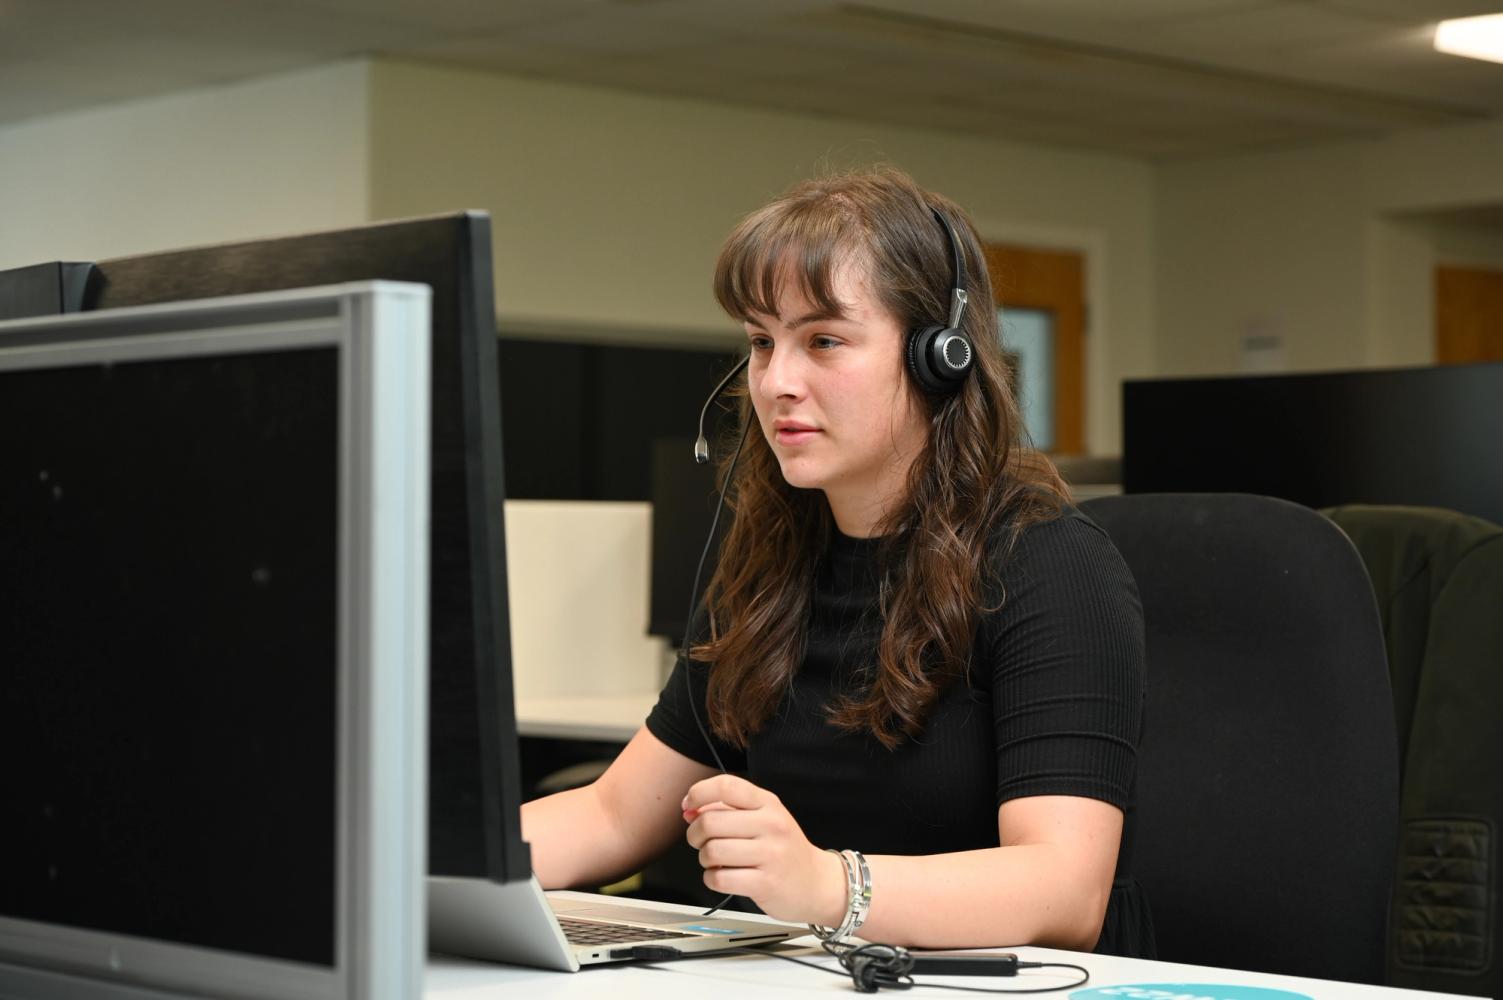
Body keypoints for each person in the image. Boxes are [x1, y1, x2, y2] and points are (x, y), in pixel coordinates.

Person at [521, 165, 1150, 956]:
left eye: (823, 340)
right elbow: (612, 815)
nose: (775, 381)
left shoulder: (1048, 564)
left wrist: (826, 885)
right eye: (760, 342)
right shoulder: (772, 559)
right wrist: (410, 862)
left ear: (937, 358)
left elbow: (1065, 890)